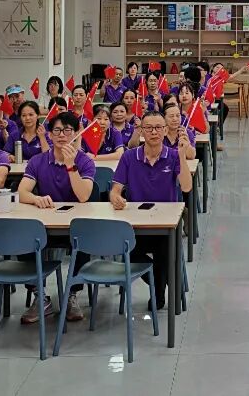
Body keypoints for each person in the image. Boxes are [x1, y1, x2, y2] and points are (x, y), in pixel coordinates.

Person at [16, 111, 97, 323]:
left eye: (67, 130)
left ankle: (72, 294)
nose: (62, 135)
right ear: (49, 135)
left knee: (84, 237)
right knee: (24, 236)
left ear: (76, 134)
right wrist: (36, 199)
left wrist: (71, 166)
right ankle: (40, 296)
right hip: (46, 224)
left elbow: (83, 196)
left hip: (74, 226)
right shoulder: (38, 160)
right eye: (57, 130)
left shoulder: (85, 161)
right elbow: (22, 192)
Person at [110, 111, 194, 310]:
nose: (154, 132)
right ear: (142, 131)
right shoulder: (129, 157)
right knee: (130, 252)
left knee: (164, 251)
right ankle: (159, 283)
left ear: (165, 130)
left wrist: (182, 156)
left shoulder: (173, 156)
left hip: (166, 225)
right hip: (136, 225)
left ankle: (158, 294)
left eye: (158, 128)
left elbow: (186, 187)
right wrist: (115, 198)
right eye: (148, 128)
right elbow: (115, 190)